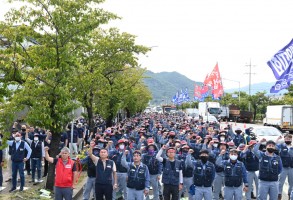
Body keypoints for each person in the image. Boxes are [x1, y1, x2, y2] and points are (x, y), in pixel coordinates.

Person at [276, 134, 293, 200]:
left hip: (291, 168)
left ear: (291, 140)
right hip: (283, 168)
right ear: (284, 139)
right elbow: (274, 146)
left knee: (291, 183)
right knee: (280, 183)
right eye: (286, 139)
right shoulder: (281, 146)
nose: (288, 140)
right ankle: (279, 195)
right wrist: (278, 139)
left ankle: (290, 196)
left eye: (289, 139)